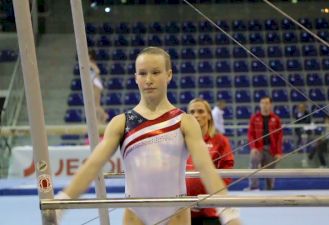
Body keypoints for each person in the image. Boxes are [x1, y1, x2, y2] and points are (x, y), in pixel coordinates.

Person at [56, 47, 241, 225]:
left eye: (156, 72)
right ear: (135, 78)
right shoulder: (121, 122)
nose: (149, 80)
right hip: (135, 214)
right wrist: (62, 202)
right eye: (142, 73)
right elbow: (93, 165)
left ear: (169, 75)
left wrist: (227, 211)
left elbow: (205, 168)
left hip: (175, 213)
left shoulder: (185, 122)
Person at [186, 98, 234, 225]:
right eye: (192, 112)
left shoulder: (220, 141)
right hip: (183, 210)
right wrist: (183, 199)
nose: (196, 115)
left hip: (211, 210)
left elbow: (227, 173)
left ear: (209, 116)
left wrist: (208, 198)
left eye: (201, 111)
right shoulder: (180, 142)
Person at [246, 96, 283, 190]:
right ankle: (253, 187)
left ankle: (270, 188)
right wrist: (253, 147)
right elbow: (250, 134)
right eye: (262, 103)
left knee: (270, 171)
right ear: (260, 104)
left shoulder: (276, 119)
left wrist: (278, 152)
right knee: (253, 161)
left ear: (270, 105)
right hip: (258, 147)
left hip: (271, 148)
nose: (264, 105)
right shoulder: (254, 118)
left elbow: (279, 137)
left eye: (266, 103)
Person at [88, 49, 108, 124]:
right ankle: (100, 119)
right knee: (96, 104)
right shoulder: (89, 63)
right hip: (96, 83)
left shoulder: (90, 62)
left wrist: (92, 79)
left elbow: (97, 71)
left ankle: (104, 115)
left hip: (95, 83)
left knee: (95, 104)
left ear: (90, 56)